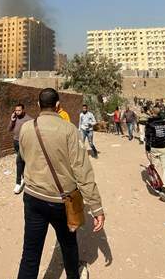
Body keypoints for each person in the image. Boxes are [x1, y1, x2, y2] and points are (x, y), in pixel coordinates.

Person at [17, 88, 105, 279]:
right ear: (58, 105)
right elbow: (82, 171)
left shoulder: (26, 128)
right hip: (61, 201)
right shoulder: (69, 130)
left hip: (32, 198)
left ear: (39, 105)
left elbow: (24, 156)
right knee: (68, 244)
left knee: (30, 252)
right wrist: (96, 207)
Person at [144, 107, 165, 203]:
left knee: (154, 166)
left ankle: (156, 185)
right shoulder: (164, 121)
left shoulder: (149, 123)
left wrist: (147, 149)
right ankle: (164, 187)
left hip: (154, 147)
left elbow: (147, 137)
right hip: (163, 147)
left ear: (152, 113)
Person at [9, 104, 33, 194]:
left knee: (18, 161)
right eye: (16, 110)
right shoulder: (15, 118)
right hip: (15, 142)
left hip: (23, 143)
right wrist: (12, 120)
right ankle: (24, 177)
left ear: (23, 110)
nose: (17, 112)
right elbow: (9, 129)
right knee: (22, 161)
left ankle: (18, 183)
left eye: (19, 110)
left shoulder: (29, 120)